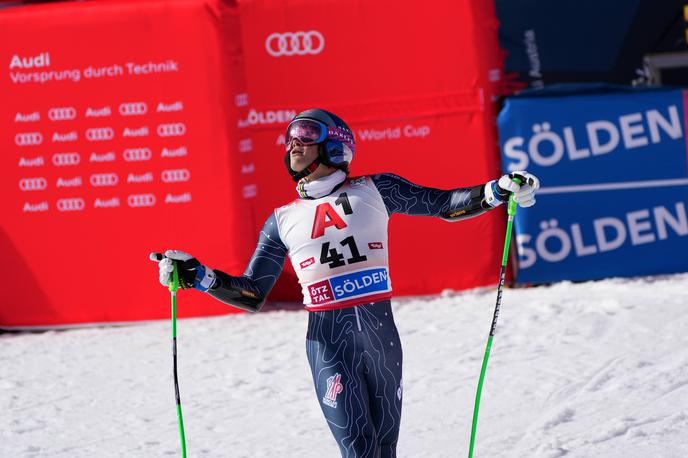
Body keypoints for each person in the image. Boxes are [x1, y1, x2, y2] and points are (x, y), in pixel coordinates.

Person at [153, 108, 540, 458]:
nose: (294, 144)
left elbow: (443, 204)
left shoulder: (377, 189)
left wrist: (497, 191)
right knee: (359, 450)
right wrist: (198, 276)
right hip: (329, 342)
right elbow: (252, 293)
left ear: (335, 146)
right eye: (290, 138)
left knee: (384, 448)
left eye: (305, 134)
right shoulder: (281, 220)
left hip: (380, 335)